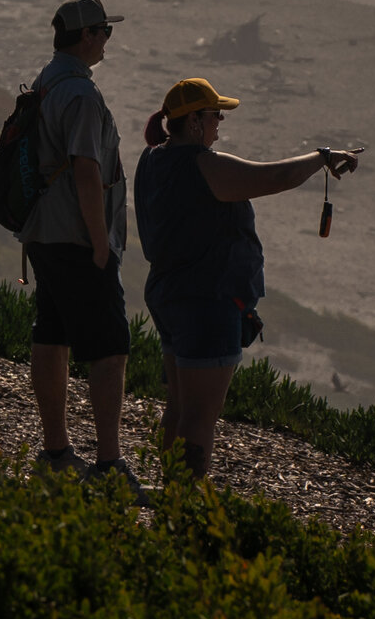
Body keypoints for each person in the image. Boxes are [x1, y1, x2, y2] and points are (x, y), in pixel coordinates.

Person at [135, 77, 358, 478]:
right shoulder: (205, 165)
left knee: (180, 407)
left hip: (169, 293)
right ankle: (183, 503)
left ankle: (169, 489)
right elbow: (274, 178)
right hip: (207, 300)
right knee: (201, 416)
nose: (221, 121)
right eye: (215, 114)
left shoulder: (152, 160)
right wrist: (322, 157)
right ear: (195, 122)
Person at [17, 0, 139, 489]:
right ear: (87, 36)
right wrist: (100, 244)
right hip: (75, 235)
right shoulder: (83, 96)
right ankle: (109, 466)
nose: (108, 40)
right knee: (109, 347)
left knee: (53, 334)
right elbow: (88, 172)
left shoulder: (46, 82)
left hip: (42, 232)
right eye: (105, 31)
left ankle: (56, 453)